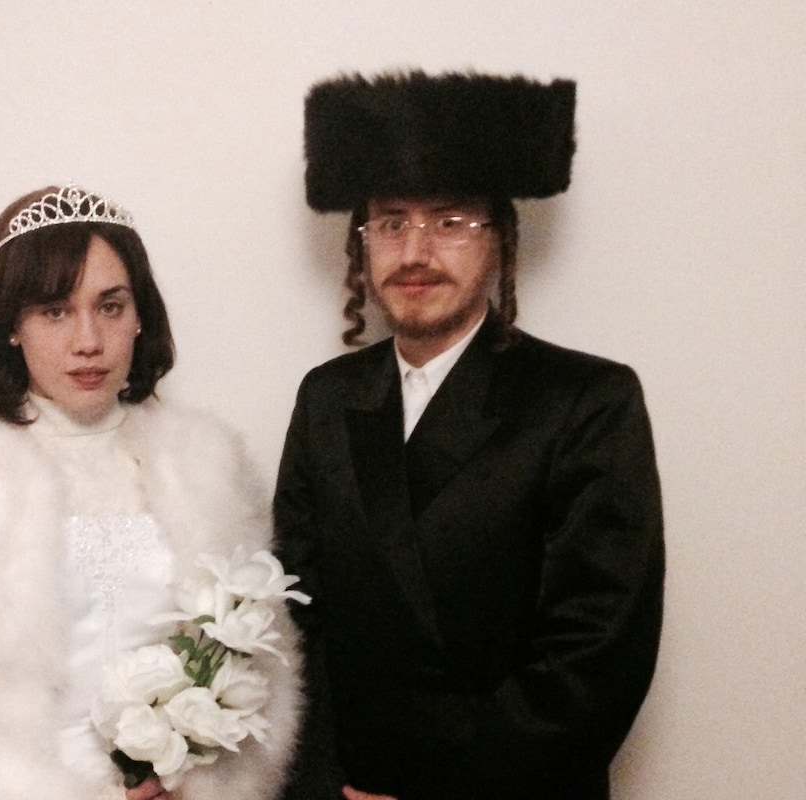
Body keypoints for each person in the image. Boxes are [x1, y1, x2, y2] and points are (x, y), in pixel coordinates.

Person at [0, 184, 302, 800]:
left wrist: (197, 784)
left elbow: (263, 671)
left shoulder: (208, 467)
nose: (87, 341)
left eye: (110, 306)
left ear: (140, 316)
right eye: (54, 311)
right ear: (11, 327)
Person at [274, 71, 665, 800]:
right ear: (362, 243)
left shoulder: (587, 403)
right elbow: (295, 617)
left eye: (449, 221)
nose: (415, 251)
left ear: (499, 240)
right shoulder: (326, 398)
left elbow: (596, 656)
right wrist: (325, 784)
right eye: (391, 222)